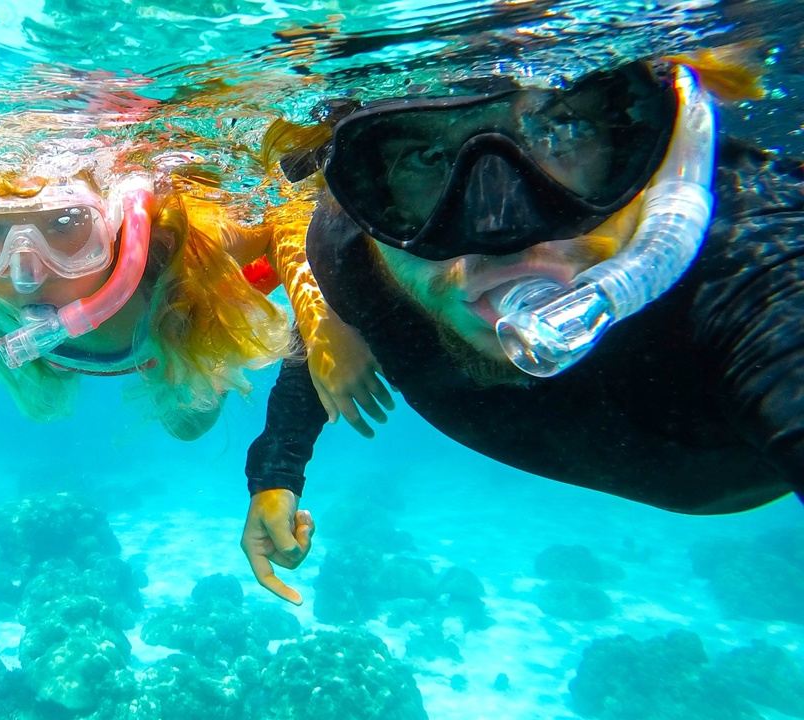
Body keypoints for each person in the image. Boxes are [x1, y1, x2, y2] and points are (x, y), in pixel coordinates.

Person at [239, 52, 804, 605]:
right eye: (423, 160)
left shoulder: (754, 264)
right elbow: (335, 329)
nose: (499, 230)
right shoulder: (353, 251)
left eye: (563, 131)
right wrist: (275, 476)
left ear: (654, 149)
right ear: (367, 199)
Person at [0, 166, 382, 440]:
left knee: (190, 425)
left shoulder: (165, 250)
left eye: (64, 227)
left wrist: (325, 323)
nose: (26, 273)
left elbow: (289, 219)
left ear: (114, 226)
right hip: (112, 350)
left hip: (179, 322)